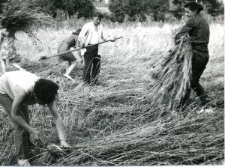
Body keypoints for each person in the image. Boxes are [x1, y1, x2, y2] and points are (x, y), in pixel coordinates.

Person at [0, 70, 70, 166]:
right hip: (4, 88)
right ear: (35, 96)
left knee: (25, 121)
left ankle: (28, 146)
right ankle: (22, 158)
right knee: (20, 125)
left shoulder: (46, 91)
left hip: (18, 81)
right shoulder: (22, 92)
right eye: (44, 103)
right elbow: (14, 114)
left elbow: (56, 117)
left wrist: (63, 141)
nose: (45, 105)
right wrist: (31, 131)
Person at [174, 2, 211, 111]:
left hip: (196, 55)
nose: (186, 14)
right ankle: (206, 104)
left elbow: (179, 36)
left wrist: (178, 43)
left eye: (187, 12)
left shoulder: (193, 20)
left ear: (194, 11)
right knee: (193, 81)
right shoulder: (203, 20)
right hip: (203, 55)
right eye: (185, 12)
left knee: (188, 81)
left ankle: (180, 109)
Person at [78, 12, 116, 85]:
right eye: (97, 19)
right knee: (88, 67)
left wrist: (111, 39)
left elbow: (104, 37)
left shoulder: (100, 26)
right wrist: (82, 42)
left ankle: (94, 82)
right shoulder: (88, 26)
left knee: (97, 66)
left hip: (97, 48)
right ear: (93, 17)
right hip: (88, 48)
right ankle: (86, 83)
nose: (98, 21)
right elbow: (81, 35)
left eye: (100, 20)